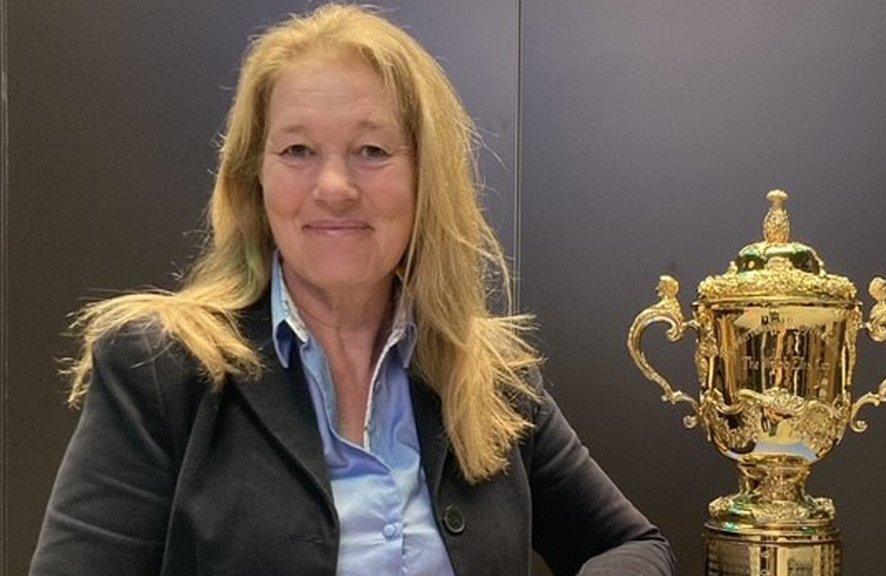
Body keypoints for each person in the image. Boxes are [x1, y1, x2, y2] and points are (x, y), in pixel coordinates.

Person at [29, 4, 675, 576]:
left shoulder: (490, 380)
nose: (334, 186)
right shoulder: (161, 369)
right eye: (298, 151)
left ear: (429, 179)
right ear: (254, 177)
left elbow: (635, 546)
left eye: (371, 150)